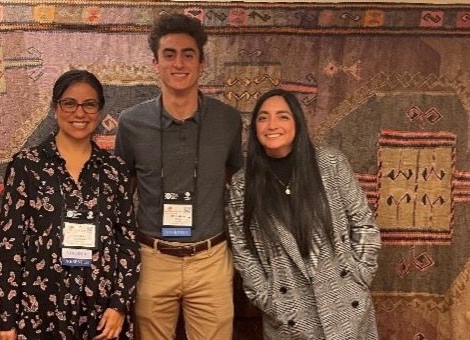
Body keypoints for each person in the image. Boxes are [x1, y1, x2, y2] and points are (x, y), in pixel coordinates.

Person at [114, 13, 243, 340]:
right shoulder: (131, 123)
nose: (179, 63)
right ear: (155, 63)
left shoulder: (228, 120)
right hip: (152, 260)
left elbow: (235, 181)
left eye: (189, 54)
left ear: (203, 62)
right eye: (169, 54)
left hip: (211, 261)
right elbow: (120, 193)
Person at [0, 69, 140, 340]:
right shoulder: (27, 165)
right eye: (69, 103)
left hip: (101, 311)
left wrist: (120, 304)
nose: (79, 113)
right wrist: (5, 318)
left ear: (100, 109)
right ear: (55, 107)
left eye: (89, 104)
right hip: (40, 309)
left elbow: (127, 243)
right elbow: (10, 245)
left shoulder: (114, 170)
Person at [227, 88, 381, 339]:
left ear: (297, 122)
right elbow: (241, 248)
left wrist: (361, 273)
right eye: (263, 117)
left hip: (345, 300)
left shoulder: (330, 163)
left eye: (282, 116)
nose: (272, 124)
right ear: (254, 127)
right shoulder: (244, 184)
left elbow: (363, 223)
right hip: (288, 313)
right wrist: (266, 296)